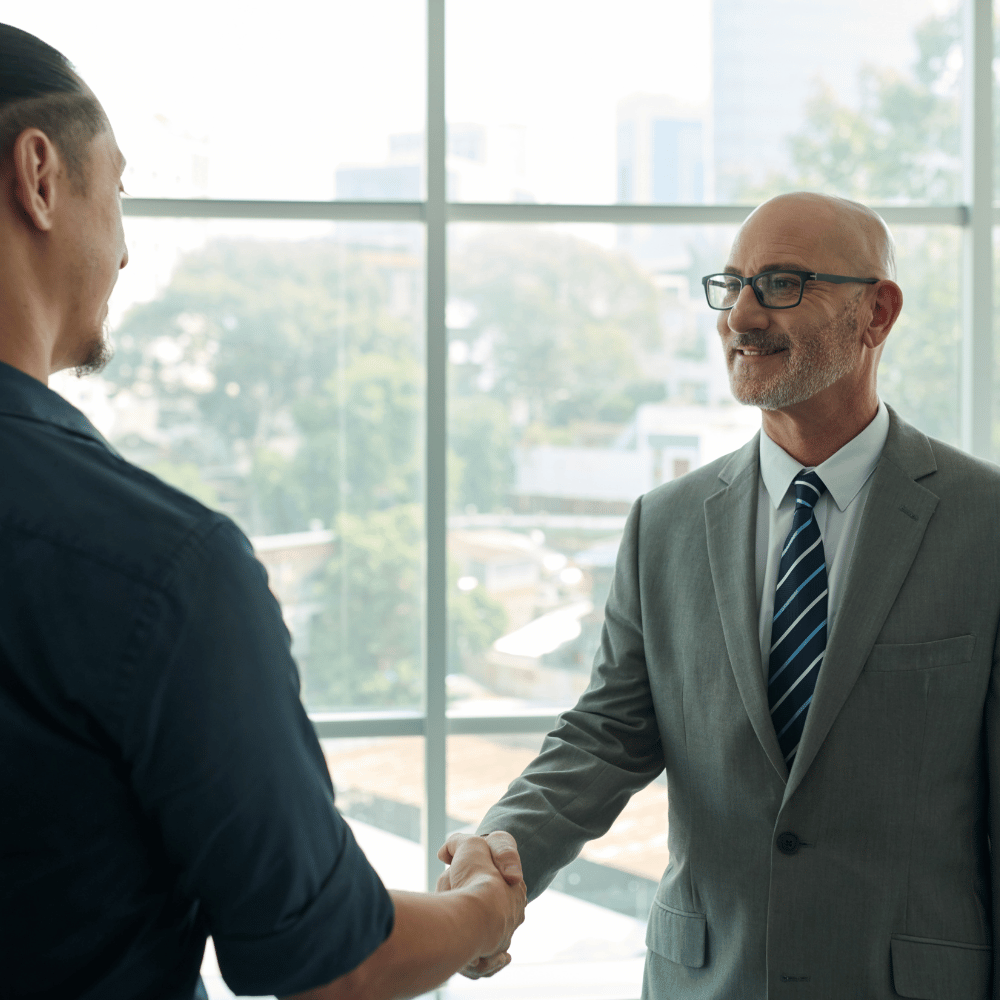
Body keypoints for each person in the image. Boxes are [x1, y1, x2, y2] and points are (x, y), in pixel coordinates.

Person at [0, 23, 524, 1000]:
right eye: (116, 192)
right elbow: (335, 962)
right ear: (38, 176)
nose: (122, 249)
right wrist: (483, 911)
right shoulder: (159, 566)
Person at [453, 190, 1000, 998]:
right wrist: (498, 858)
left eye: (781, 283)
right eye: (732, 283)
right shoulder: (664, 525)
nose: (741, 316)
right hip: (706, 980)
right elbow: (606, 735)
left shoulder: (984, 524)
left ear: (876, 313)